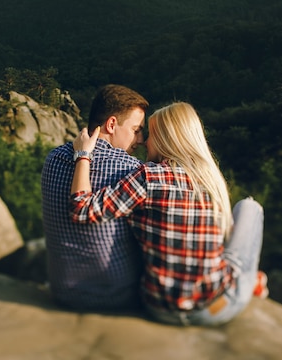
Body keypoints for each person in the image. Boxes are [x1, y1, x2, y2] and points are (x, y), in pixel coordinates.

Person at [69, 102, 265, 326]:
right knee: (250, 208)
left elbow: (82, 209)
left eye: (151, 134)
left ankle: (252, 281)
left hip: (159, 308)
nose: (144, 141)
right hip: (213, 309)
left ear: (166, 139)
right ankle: (251, 282)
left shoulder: (147, 177)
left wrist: (83, 154)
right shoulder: (211, 181)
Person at [41, 84, 149, 311]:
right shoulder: (132, 169)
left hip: (62, 290)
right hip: (114, 295)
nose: (139, 139)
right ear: (111, 124)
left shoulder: (53, 158)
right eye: (136, 129)